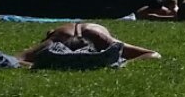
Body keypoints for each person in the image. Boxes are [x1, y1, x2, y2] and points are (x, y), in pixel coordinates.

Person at [18, 22, 160, 69]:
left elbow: (17, 59)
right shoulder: (102, 39)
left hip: (83, 35)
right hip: (93, 34)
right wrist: (123, 63)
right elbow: (153, 54)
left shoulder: (55, 38)